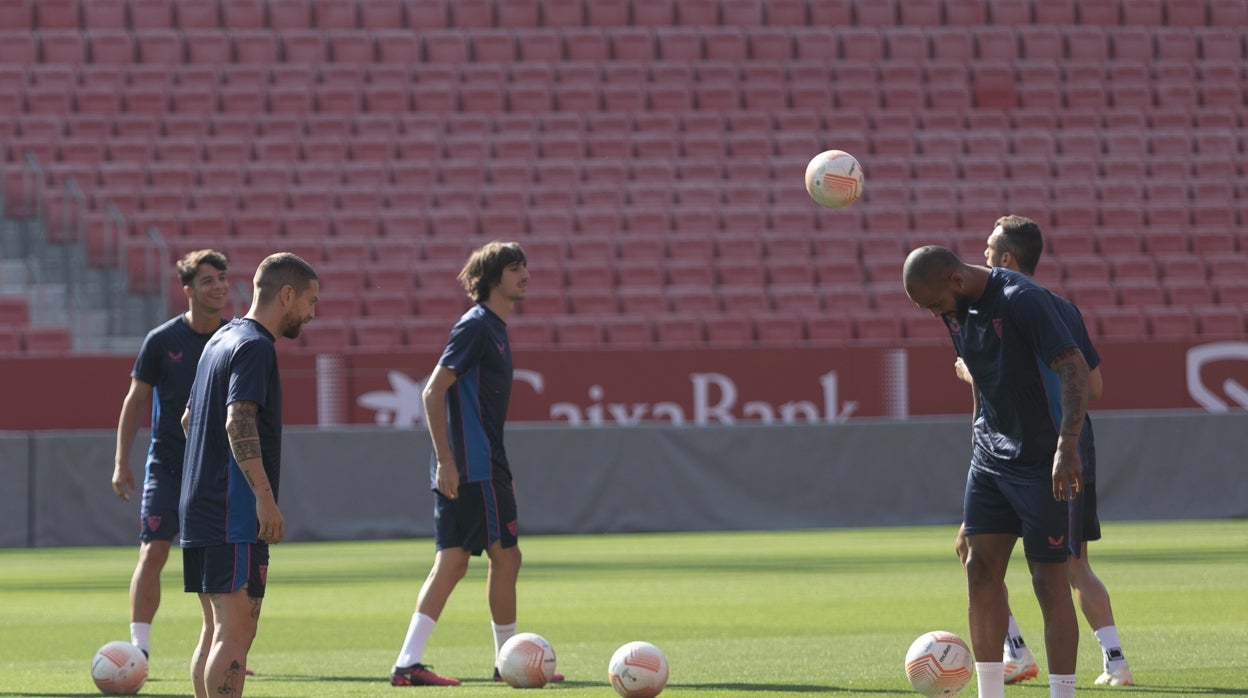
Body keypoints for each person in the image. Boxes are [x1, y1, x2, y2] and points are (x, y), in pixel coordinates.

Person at [903, 245, 1093, 698]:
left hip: (1043, 460)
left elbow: (1074, 367)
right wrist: (977, 432)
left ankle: (1062, 694)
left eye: (933, 305)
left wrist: (1068, 445)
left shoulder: (1022, 300)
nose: (934, 316)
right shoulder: (956, 309)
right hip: (991, 458)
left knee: (1049, 583)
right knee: (978, 567)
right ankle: (992, 694)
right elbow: (982, 374)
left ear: (954, 280)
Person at [952, 216, 1131, 687]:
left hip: (1049, 454)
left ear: (1008, 258)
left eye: (990, 248)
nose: (983, 255)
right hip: (1024, 452)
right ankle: (1023, 653)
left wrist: (981, 375)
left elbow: (1081, 383)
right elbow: (1094, 382)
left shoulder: (1022, 306)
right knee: (974, 550)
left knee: (1064, 569)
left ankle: (1109, 659)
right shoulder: (1062, 306)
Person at [389, 241, 563, 687]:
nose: (525, 273)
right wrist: (447, 460)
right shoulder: (477, 327)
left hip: (485, 466)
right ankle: (504, 660)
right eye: (514, 267)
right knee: (504, 557)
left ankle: (410, 663)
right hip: (473, 467)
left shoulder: (494, 328)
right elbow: (432, 391)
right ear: (492, 278)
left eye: (525, 265)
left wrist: (501, 472)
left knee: (455, 562)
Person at [179, 253, 319, 698]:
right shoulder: (256, 346)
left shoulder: (220, 338)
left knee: (216, 630)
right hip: (232, 512)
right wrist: (264, 497)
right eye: (310, 302)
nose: (312, 314)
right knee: (235, 634)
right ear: (287, 295)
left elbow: (188, 419)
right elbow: (238, 419)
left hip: (201, 506)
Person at [112, 249, 229, 660]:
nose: (219, 286)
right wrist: (121, 460)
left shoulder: (235, 338)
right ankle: (139, 650)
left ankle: (220, 646)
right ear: (188, 290)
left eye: (222, 278)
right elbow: (134, 401)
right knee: (154, 549)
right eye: (207, 280)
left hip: (216, 468)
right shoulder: (162, 341)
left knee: (217, 560)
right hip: (168, 464)